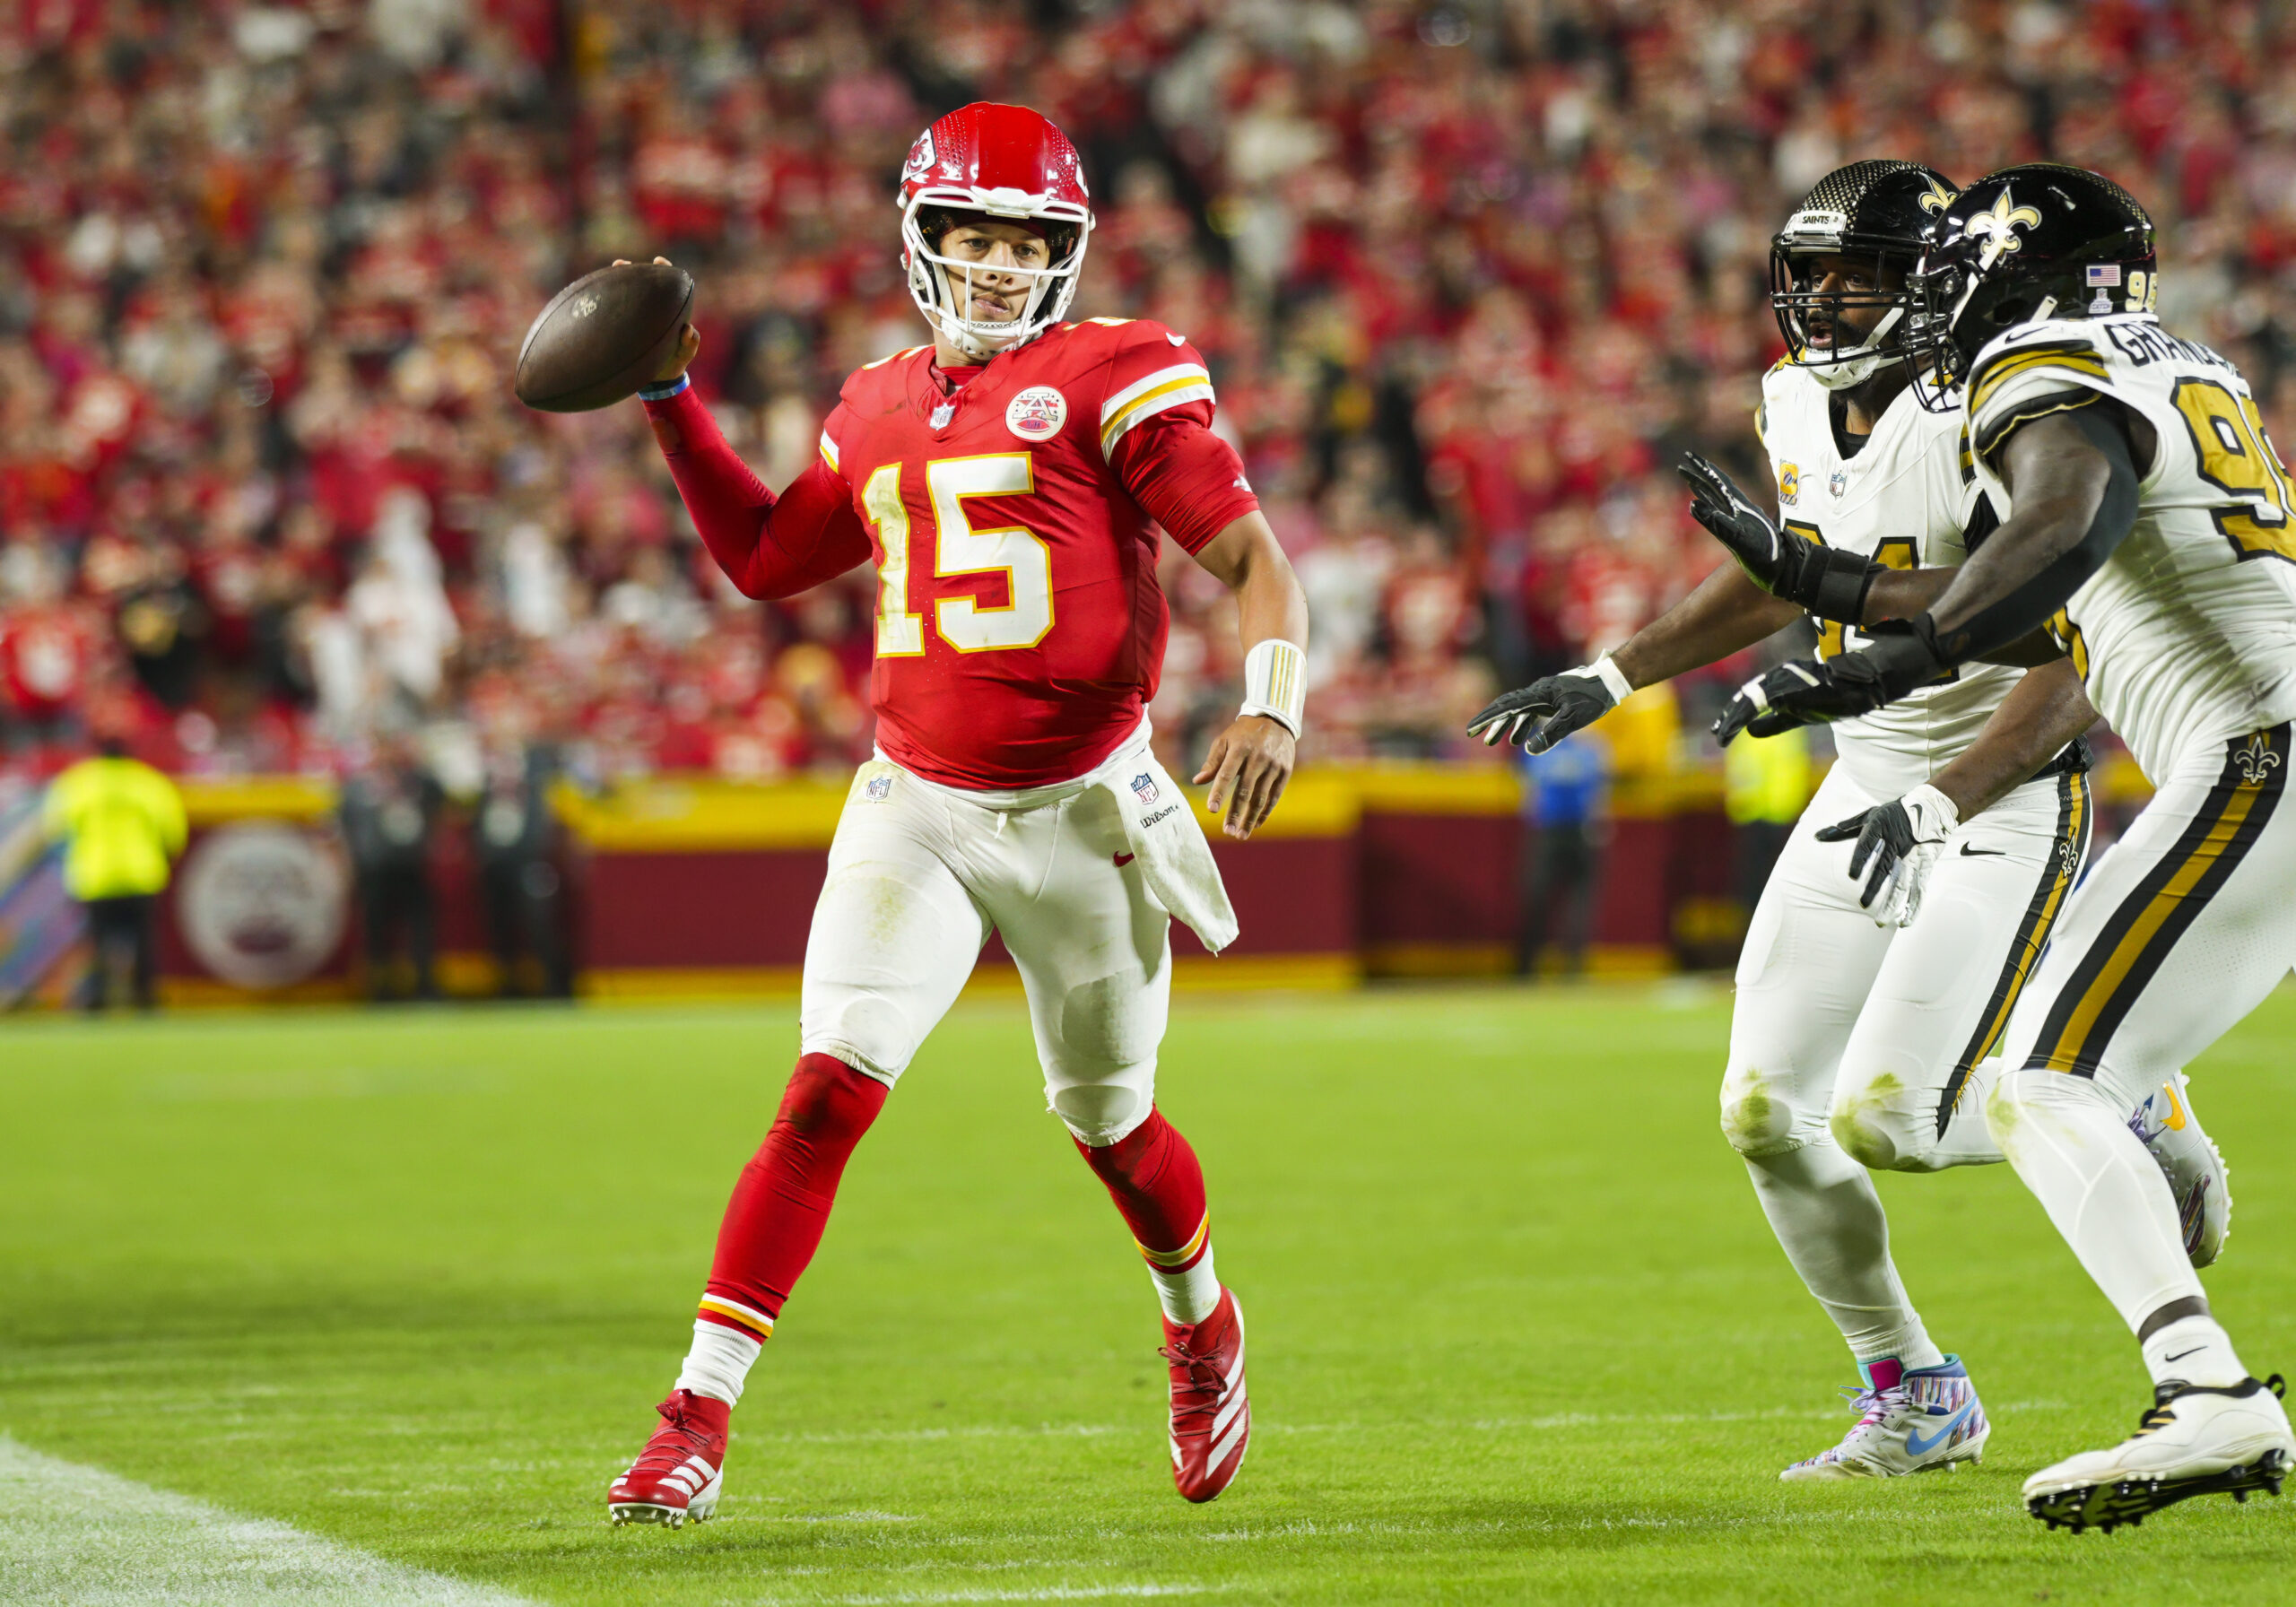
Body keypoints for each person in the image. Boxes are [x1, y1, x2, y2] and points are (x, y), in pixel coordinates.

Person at [604, 102, 1309, 1525]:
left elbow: (1251, 556)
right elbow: (761, 556)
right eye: (973, 235)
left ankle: (1202, 1322)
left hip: (1083, 815)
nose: (997, 264)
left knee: (1111, 1126)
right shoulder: (869, 401)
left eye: (1026, 240)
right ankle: (694, 1421)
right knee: (823, 1092)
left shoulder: (1120, 370)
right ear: (923, 240)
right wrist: (671, 403)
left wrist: (1273, 701)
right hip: (913, 807)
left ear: (1068, 251)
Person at [1470, 161, 2227, 1481]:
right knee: (1765, 1112)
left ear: (1938, 273)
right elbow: (1795, 576)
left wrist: (1951, 797)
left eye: (1862, 268)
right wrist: (1613, 673)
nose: (1828, 297)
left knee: (1899, 1118)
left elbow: (2075, 650)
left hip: (1998, 791)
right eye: (1811, 272)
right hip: (1862, 778)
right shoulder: (1792, 400)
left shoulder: (1998, 394)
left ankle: (2130, 1095)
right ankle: (1916, 1388)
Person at [1714, 162, 2296, 1531]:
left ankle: (2209, 1397)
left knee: (2043, 1081)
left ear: (2009, 273)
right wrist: (1825, 589)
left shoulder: (2038, 363)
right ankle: (2198, 1382)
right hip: (2250, 753)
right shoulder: (2158, 353)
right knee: (2042, 1081)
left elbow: (2060, 529)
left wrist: (1882, 668)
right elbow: (2049, 569)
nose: (1931, 298)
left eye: (1949, 268)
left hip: (2257, 752)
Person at [42, 731, 187, 1011]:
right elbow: (173, 833)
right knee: (144, 940)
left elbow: (55, 831)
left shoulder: (79, 783)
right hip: (141, 873)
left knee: (96, 940)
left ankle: (97, 999)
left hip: (95, 874)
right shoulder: (148, 782)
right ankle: (145, 999)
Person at [337, 734, 443, 1002]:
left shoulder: (414, 781)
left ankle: (423, 983)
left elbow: (438, 795)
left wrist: (419, 762)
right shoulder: (358, 787)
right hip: (374, 869)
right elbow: (344, 828)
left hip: (411, 866)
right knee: (376, 930)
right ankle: (380, 987)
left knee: (420, 928)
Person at [1515, 727, 1607, 976]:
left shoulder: (1538, 746)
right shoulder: (1591, 747)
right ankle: (1571, 966)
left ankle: (1530, 965)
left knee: (1542, 898)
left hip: (1550, 828)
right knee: (1577, 900)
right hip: (1575, 829)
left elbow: (1529, 791)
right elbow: (1598, 793)